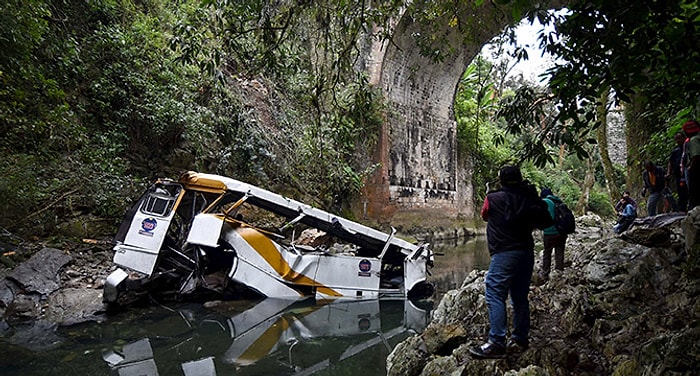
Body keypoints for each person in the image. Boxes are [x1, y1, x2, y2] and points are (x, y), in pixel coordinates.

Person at [470, 165, 553, 359]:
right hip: (526, 252)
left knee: (494, 291)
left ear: (502, 180)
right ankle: (520, 338)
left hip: (504, 252)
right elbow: (545, 221)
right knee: (520, 296)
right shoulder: (529, 198)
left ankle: (497, 342)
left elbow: (484, 215)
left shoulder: (493, 198)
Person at [539, 188, 567, 280]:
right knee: (559, 251)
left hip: (549, 231)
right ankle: (559, 273)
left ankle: (545, 274)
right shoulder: (558, 201)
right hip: (562, 231)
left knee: (547, 252)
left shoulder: (545, 202)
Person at [682, 120, 700, 210]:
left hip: (696, 170)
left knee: (695, 194)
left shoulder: (694, 140)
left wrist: (690, 168)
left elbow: (696, 156)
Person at [668, 131, 688, 212]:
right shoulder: (675, 151)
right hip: (679, 176)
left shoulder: (688, 148)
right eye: (676, 139)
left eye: (679, 138)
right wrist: (669, 173)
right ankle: (682, 211)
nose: (678, 141)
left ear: (684, 138)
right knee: (681, 193)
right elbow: (670, 162)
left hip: (688, 174)